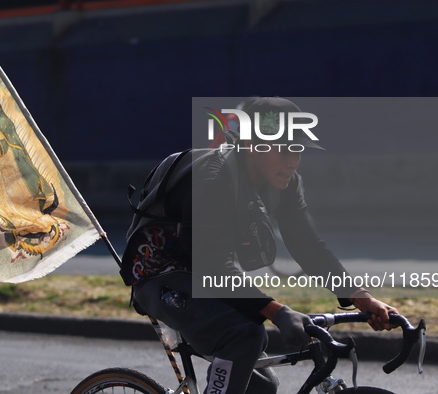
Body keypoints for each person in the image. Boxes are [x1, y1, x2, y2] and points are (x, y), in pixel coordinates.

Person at [121, 97, 398, 394]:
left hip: (205, 274)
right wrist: (278, 311)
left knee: (261, 386)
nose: (292, 160)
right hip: (158, 273)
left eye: (298, 149)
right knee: (245, 335)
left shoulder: (285, 182)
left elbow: (307, 245)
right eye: (282, 149)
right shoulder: (212, 178)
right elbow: (212, 263)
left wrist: (360, 296)